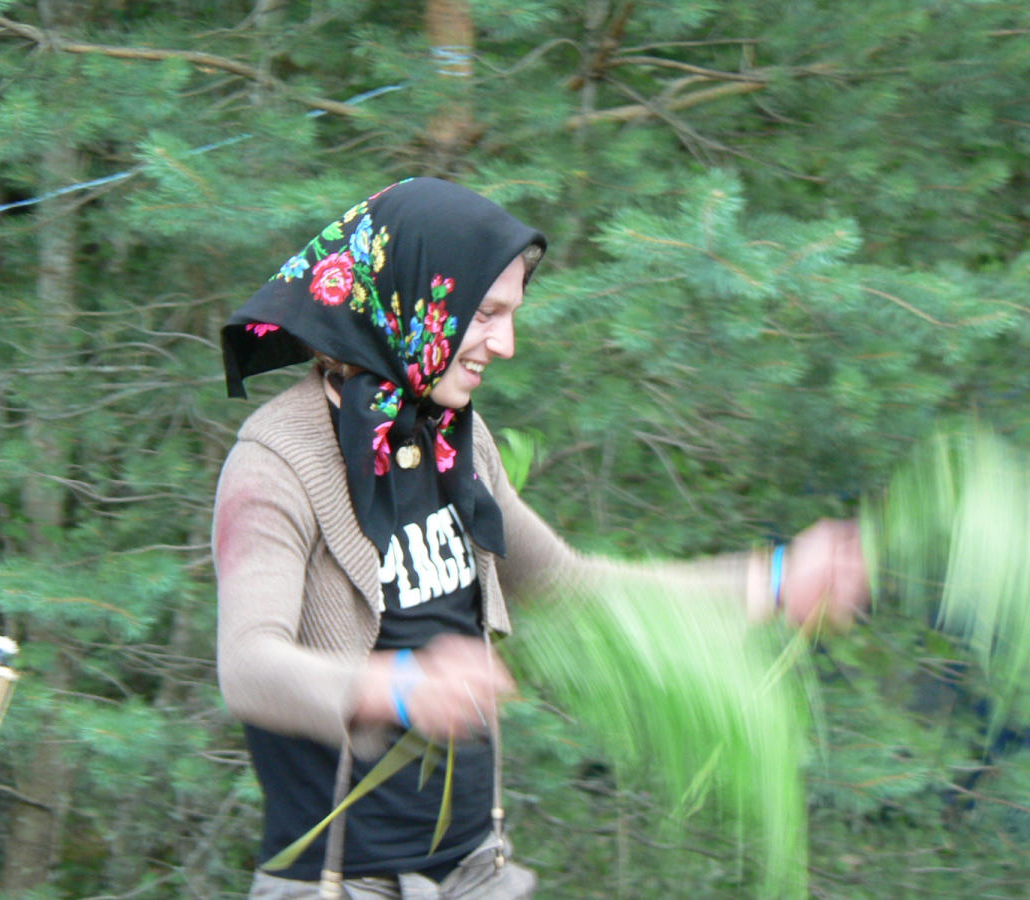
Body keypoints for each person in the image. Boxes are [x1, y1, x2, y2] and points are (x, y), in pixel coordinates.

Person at [213, 177, 867, 899]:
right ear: (415, 297)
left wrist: (773, 579)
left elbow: (571, 587)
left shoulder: (456, 443)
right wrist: (395, 688)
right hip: (338, 884)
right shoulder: (277, 461)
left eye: (511, 315)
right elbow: (248, 667)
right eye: (485, 314)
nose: (506, 344)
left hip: (479, 872)